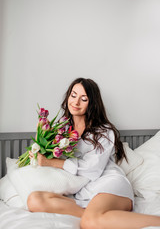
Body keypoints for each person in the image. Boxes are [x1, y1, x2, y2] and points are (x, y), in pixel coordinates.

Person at [28, 77, 160, 229]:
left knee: (89, 223)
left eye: (83, 99)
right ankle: (101, 217)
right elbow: (49, 157)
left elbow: (92, 170)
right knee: (34, 199)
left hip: (110, 184)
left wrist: (50, 162)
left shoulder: (103, 131)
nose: (76, 102)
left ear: (92, 103)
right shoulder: (61, 129)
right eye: (73, 95)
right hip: (84, 192)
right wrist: (40, 147)